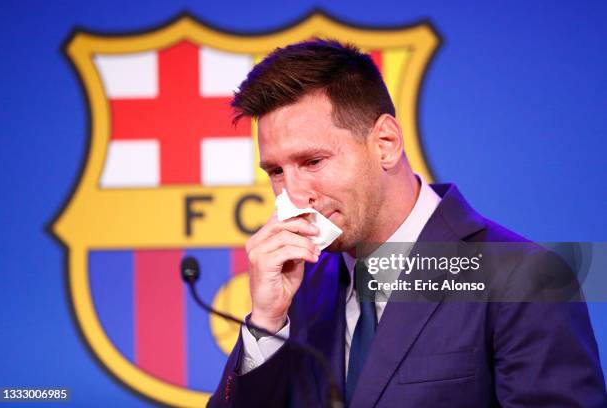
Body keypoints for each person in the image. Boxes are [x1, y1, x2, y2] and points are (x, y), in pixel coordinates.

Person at [208, 39, 606, 407]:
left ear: (386, 143)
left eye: (313, 162)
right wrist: (267, 322)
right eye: (275, 170)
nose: (292, 196)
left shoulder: (524, 278)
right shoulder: (299, 286)